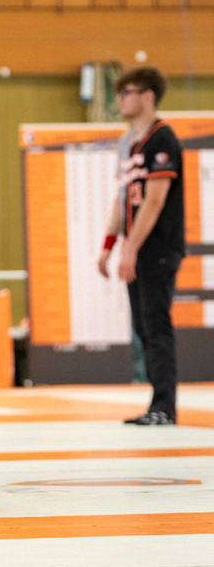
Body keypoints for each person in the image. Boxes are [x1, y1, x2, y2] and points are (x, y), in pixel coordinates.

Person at [97, 67, 185, 426]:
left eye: (126, 93)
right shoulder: (128, 142)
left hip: (158, 247)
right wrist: (108, 245)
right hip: (137, 247)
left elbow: (154, 201)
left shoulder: (162, 139)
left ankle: (165, 405)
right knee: (144, 328)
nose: (120, 100)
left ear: (147, 95)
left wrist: (131, 249)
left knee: (156, 324)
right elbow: (124, 199)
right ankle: (156, 404)